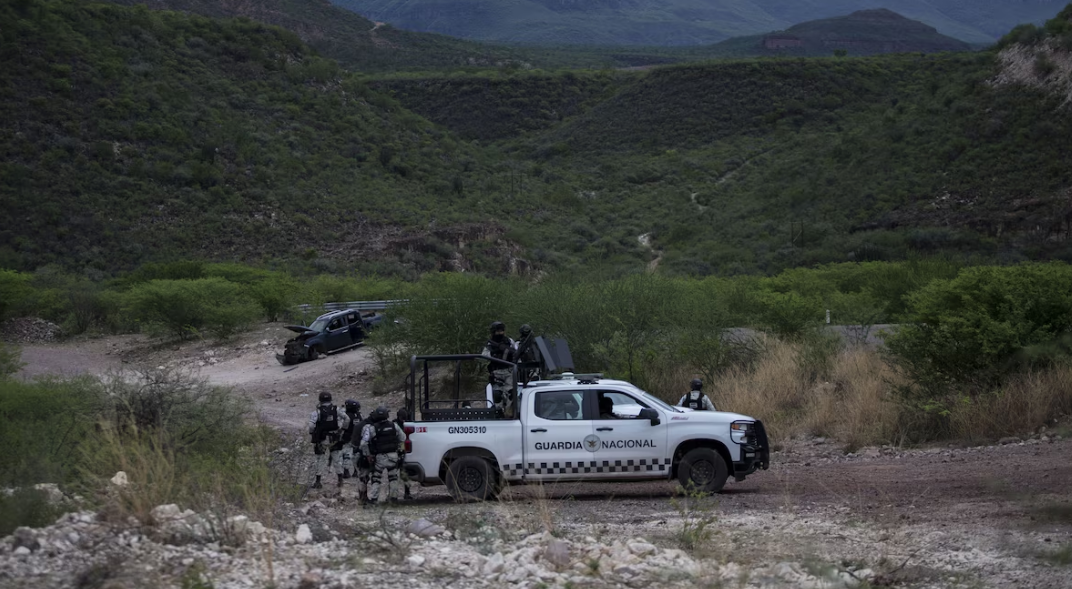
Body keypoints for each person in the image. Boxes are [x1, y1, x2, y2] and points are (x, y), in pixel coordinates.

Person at [360, 405, 405, 506]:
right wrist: (401, 451)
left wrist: (368, 455)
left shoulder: (372, 428)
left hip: (379, 457)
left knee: (376, 478)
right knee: (393, 478)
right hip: (393, 456)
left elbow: (363, 443)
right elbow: (403, 438)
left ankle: (374, 499)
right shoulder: (394, 426)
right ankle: (394, 499)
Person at [307, 391, 350, 489]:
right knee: (337, 458)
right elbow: (347, 419)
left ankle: (318, 482)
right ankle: (340, 480)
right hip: (334, 437)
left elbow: (311, 425)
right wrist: (342, 429)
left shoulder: (317, 412)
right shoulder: (337, 409)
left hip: (321, 439)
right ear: (330, 399)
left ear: (320, 400)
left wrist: (312, 433)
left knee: (320, 459)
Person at [481, 321, 516, 414]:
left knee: (511, 394)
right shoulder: (490, 344)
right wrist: (493, 353)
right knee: (497, 394)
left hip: (509, 371)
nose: (500, 333)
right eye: (498, 331)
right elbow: (483, 356)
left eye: (502, 331)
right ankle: (498, 411)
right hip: (496, 372)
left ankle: (509, 412)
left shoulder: (509, 341)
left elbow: (516, 353)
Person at [394, 408, 415, 501]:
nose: (403, 420)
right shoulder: (394, 425)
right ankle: (393, 495)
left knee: (404, 474)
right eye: (402, 418)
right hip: (395, 451)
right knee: (393, 476)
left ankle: (407, 493)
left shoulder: (407, 423)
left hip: (403, 451)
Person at [339, 399, 362, 479]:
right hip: (357, 438)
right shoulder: (359, 415)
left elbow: (342, 426)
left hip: (347, 437)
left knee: (347, 454)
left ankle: (346, 471)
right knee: (356, 454)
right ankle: (356, 471)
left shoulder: (346, 415)